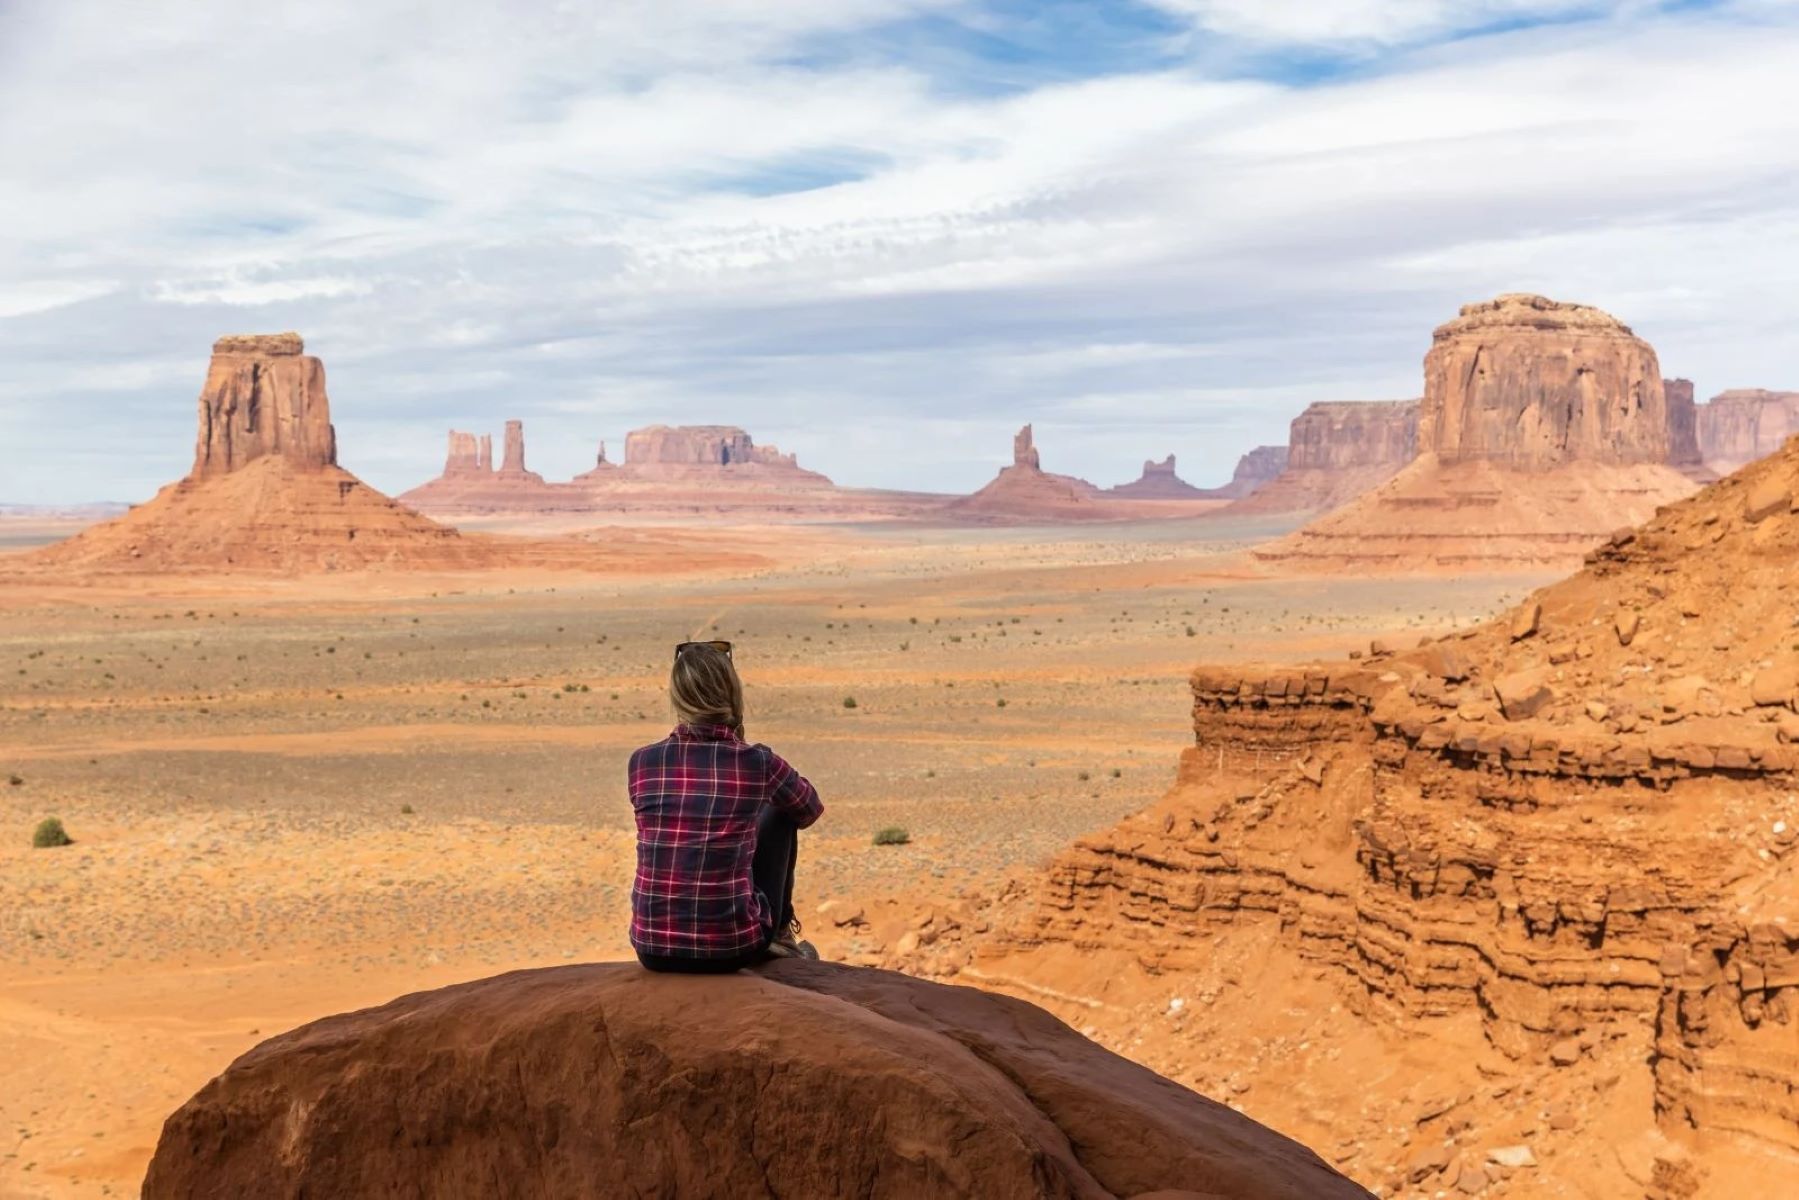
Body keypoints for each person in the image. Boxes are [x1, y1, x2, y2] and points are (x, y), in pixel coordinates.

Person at [628, 639, 823, 972]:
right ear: (732, 693)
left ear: (678, 696)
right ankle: (780, 934)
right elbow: (807, 809)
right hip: (731, 947)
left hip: (652, 948)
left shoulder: (643, 761)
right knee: (779, 812)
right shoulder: (756, 762)